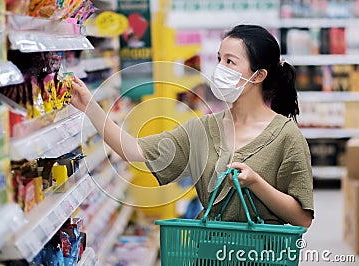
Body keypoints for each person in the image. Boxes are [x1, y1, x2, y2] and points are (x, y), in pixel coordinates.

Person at [70, 24, 314, 227]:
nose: (220, 69)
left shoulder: (287, 137)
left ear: (258, 75)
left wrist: (256, 183)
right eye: (219, 59)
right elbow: (133, 150)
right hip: (208, 252)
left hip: (259, 257)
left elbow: (302, 218)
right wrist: (90, 106)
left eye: (230, 62)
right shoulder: (204, 129)